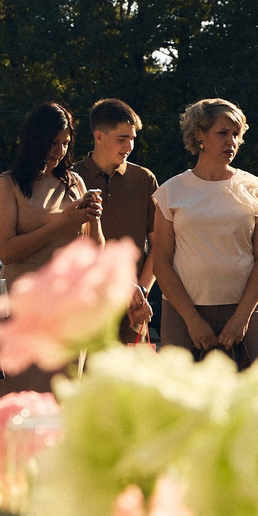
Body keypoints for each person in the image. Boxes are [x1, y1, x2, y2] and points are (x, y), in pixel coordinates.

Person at [150, 99, 258, 370]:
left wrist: (241, 318)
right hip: (183, 313)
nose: (231, 141)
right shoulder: (172, 192)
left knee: (249, 401)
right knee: (183, 400)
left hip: (246, 311)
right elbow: (161, 262)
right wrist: (192, 320)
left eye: (236, 134)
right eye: (223, 133)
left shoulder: (256, 189)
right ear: (199, 135)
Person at [0, 102, 103, 392]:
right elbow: (8, 251)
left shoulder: (74, 182)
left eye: (65, 143)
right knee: (21, 402)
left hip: (69, 304)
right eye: (53, 143)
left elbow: (94, 251)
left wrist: (94, 219)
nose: (59, 152)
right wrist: (62, 223)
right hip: (25, 305)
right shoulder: (8, 184)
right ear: (35, 139)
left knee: (62, 400)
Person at [73, 100, 157, 343]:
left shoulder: (144, 179)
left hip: (131, 307)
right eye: (122, 139)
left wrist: (141, 292)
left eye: (132, 138)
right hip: (82, 304)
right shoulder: (71, 177)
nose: (129, 146)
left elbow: (158, 244)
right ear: (98, 136)